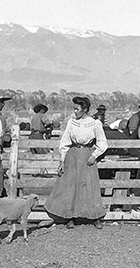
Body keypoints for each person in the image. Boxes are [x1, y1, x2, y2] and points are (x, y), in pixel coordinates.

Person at [44, 96, 108, 229]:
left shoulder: (95, 123)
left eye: (77, 109)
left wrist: (94, 155)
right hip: (72, 156)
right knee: (70, 187)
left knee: (90, 186)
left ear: (85, 109)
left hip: (87, 157)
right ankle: (69, 217)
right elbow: (65, 142)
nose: (75, 111)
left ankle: (95, 217)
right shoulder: (72, 122)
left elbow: (102, 142)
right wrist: (62, 161)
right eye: (74, 108)